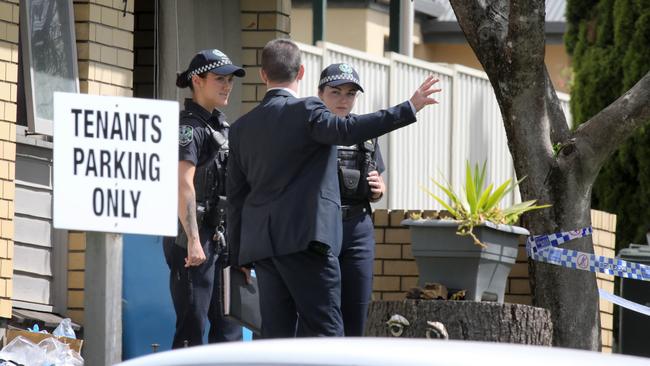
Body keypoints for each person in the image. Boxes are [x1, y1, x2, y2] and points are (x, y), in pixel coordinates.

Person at [227, 38, 441, 338]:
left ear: (263, 75)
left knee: (276, 338)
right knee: (326, 332)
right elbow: (348, 129)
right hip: (307, 242)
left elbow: (235, 197)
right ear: (302, 73)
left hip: (263, 248)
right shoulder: (308, 110)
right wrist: (409, 107)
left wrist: (237, 256)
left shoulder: (239, 128)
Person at [163, 49, 245, 348]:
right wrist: (194, 239)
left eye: (230, 80)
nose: (227, 86)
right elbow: (183, 184)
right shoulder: (189, 128)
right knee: (192, 326)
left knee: (230, 328)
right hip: (194, 238)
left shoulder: (220, 126)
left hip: (222, 238)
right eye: (220, 79)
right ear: (197, 80)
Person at [318, 63, 384, 336]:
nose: (343, 100)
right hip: (321, 226)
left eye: (350, 94)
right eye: (336, 92)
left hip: (357, 226)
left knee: (357, 310)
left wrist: (379, 189)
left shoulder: (365, 134)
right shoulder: (310, 131)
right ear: (320, 93)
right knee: (322, 310)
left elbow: (378, 179)